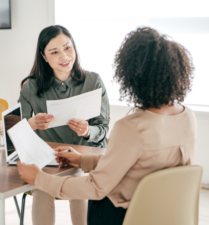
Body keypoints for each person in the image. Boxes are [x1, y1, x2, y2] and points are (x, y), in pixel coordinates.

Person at [17, 27, 196, 225]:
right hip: (164, 214)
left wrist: (39, 179)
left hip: (124, 216)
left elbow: (95, 187)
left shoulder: (130, 127)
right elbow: (135, 163)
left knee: (82, 192)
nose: (64, 56)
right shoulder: (188, 117)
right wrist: (83, 160)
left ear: (130, 76)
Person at [18, 25, 110, 225]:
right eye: (55, 52)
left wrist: (87, 131)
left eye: (68, 48)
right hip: (49, 160)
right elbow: (18, 136)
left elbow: (103, 129)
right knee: (42, 186)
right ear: (44, 56)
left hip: (83, 158)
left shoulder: (93, 81)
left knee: (80, 184)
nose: (64, 56)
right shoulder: (30, 88)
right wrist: (32, 124)